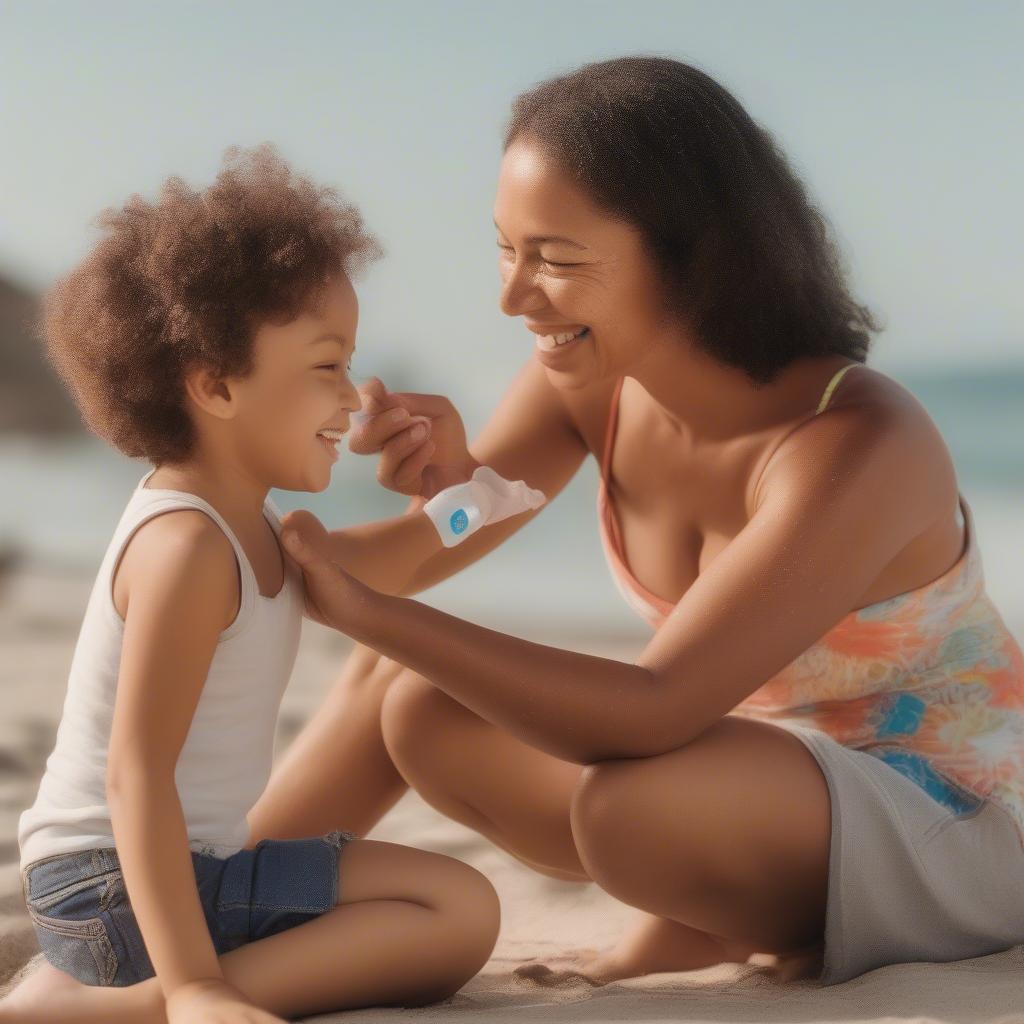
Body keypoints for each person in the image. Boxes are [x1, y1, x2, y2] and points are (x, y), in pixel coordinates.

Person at [245, 57, 1024, 988]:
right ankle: (224, 907)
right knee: (404, 692)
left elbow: (653, 711)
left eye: (558, 260)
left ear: (696, 257)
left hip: (951, 814)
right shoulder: (583, 385)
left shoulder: (859, 442)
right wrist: (260, 502)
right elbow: (414, 551)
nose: (513, 296)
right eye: (507, 248)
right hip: (739, 786)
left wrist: (370, 610)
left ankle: (714, 918)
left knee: (632, 804)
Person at [1, 145, 501, 1024]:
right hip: (111, 886)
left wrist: (463, 495)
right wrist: (194, 987)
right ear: (215, 386)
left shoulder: (254, 528)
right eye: (325, 366)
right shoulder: (187, 548)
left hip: (172, 873)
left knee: (455, 904)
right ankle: (116, 1008)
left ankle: (106, 995)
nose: (351, 399)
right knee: (457, 914)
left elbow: (410, 554)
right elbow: (135, 779)